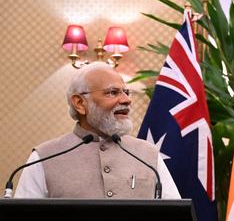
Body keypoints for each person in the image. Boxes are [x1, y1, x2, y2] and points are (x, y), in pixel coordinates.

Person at [14, 62, 180, 199]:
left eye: (126, 92)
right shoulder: (43, 157)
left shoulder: (148, 154)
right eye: (112, 92)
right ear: (80, 103)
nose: (127, 100)